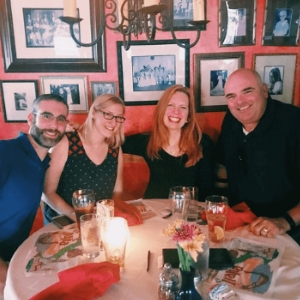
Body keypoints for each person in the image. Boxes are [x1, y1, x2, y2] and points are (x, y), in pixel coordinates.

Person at [215, 68, 300, 243]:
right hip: (242, 227)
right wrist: (218, 204)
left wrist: (285, 221)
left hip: (287, 231)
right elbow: (222, 166)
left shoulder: (294, 123)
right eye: (231, 96)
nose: (239, 102)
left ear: (264, 90)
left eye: (247, 91)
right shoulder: (231, 121)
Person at [0, 94, 68, 296]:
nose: (54, 125)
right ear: (31, 119)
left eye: (61, 119)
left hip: (14, 255)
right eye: (46, 116)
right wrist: (3, 274)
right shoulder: (5, 153)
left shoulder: (44, 163)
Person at [42, 94, 126, 223]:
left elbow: (117, 191)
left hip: (100, 222)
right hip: (63, 222)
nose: (113, 122)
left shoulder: (115, 148)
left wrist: (107, 217)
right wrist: (81, 219)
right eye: (108, 114)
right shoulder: (66, 142)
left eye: (118, 117)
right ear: (93, 113)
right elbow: (47, 193)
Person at [122, 84, 215, 200]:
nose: (176, 112)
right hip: (154, 212)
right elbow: (112, 144)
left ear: (189, 116)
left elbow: (207, 192)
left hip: (189, 213)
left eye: (183, 107)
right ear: (162, 110)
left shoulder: (203, 143)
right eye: (170, 105)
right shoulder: (147, 141)